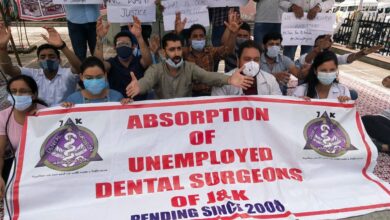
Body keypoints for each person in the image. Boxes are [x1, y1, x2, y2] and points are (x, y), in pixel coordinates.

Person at [125, 32, 253, 99]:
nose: (177, 53)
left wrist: (229, 79)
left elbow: (208, 76)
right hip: (163, 119)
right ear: (164, 52)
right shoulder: (156, 69)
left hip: (185, 119)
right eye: (172, 50)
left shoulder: (189, 67)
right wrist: (139, 87)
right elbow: (147, 82)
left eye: (179, 49)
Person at [0, 24, 81, 106]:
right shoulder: (33, 74)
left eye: (51, 56)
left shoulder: (67, 74)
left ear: (59, 60)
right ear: (38, 61)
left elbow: (79, 68)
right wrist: (2, 49)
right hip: (39, 114)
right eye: (43, 57)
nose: (47, 59)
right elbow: (9, 70)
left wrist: (62, 46)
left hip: (65, 114)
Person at [0, 75, 47, 195]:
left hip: (43, 166)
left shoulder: (46, 113)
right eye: (13, 91)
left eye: (23, 91)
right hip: (18, 167)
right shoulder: (3, 117)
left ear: (34, 94)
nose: (17, 95)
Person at [175, 10, 240, 96]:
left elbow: (227, 50)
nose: (198, 38)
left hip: (209, 95)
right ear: (189, 40)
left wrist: (232, 33)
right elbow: (172, 53)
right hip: (189, 95)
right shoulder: (184, 52)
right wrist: (178, 33)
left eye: (201, 36)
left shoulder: (211, 51)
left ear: (205, 38)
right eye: (195, 36)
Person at [94, 16, 153, 101]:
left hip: (140, 105)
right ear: (114, 47)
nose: (123, 46)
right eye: (120, 44)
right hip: (118, 105)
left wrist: (139, 37)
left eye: (126, 43)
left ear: (133, 47)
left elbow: (148, 61)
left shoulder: (139, 60)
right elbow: (98, 66)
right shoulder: (111, 63)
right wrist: (99, 39)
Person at [212, 40, 281, 96]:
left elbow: (277, 106)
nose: (252, 64)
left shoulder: (270, 80)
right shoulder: (223, 82)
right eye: (247, 59)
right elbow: (217, 108)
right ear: (238, 61)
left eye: (256, 60)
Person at [61, 57, 130, 107]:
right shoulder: (73, 100)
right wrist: (65, 108)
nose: (94, 81)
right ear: (81, 77)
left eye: (99, 77)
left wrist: (128, 104)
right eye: (89, 78)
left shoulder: (117, 97)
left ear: (105, 75)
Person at [298, 35, 383, 66]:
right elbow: (306, 60)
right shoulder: (305, 56)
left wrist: (361, 53)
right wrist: (318, 50)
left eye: (327, 43)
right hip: (309, 86)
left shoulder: (332, 58)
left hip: (326, 88)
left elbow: (347, 58)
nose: (324, 45)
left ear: (330, 47)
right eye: (321, 42)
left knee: (353, 94)